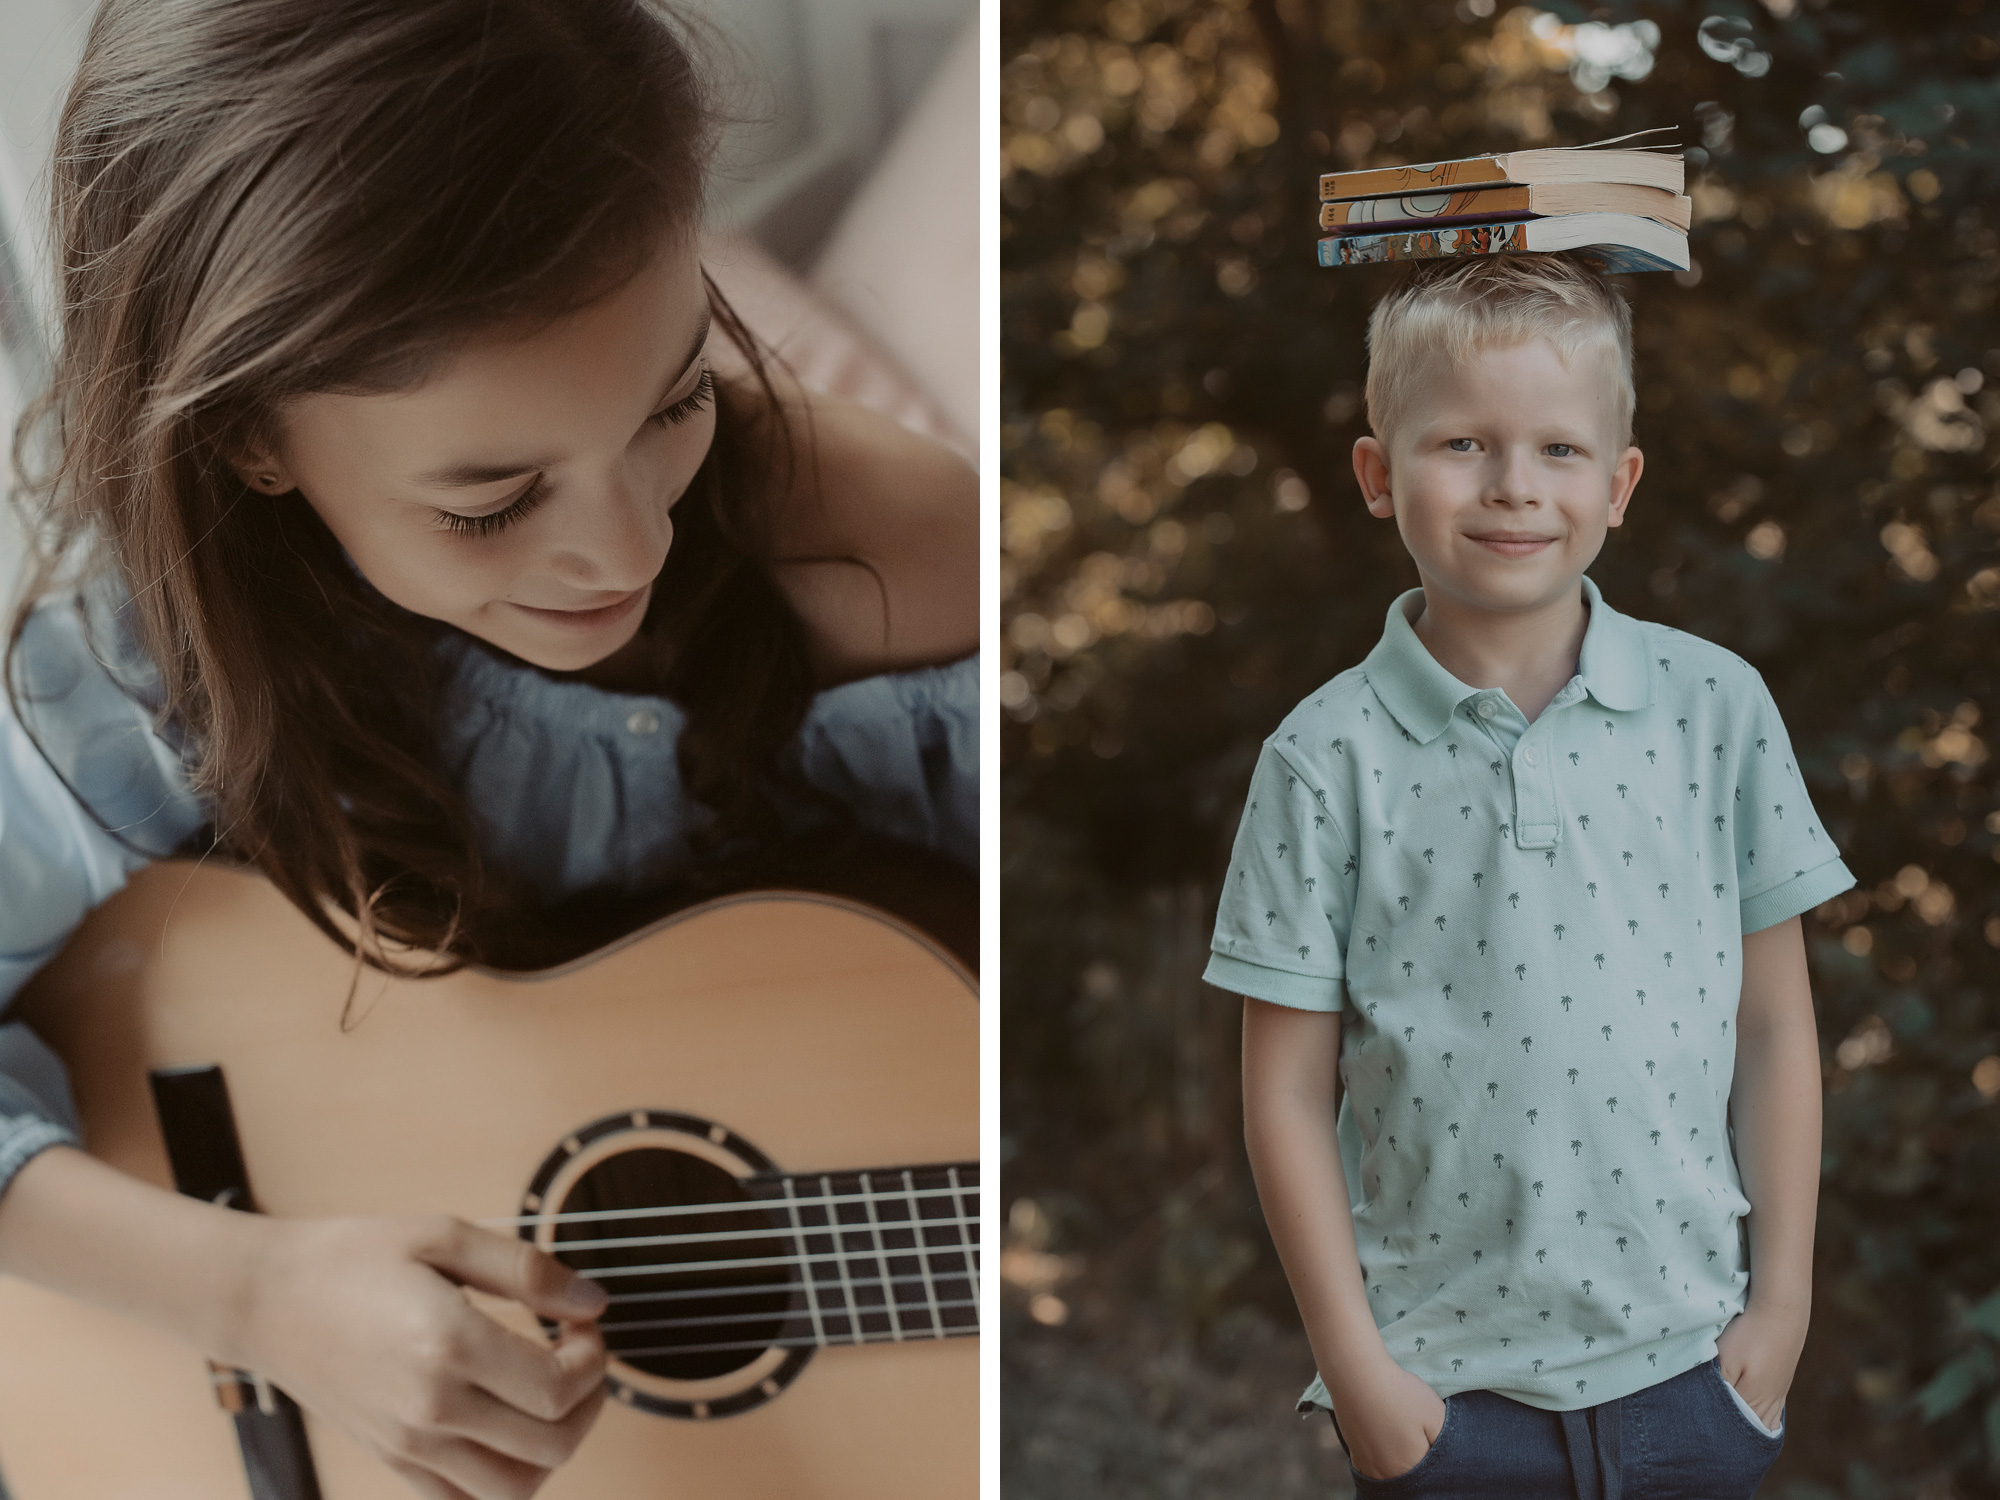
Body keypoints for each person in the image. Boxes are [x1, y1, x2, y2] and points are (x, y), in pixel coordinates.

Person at [0, 2, 975, 1497]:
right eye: (492, 500)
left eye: (676, 401)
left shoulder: (907, 578)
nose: (629, 542)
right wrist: (253, 1295)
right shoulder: (146, 681)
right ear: (249, 442)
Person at [1205, 253, 1853, 1498]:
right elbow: (1282, 1095)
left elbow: (1773, 1027)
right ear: (1375, 474)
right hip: (1442, 1398)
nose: (1511, 487)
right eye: (1459, 443)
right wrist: (1359, 1379)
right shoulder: (1321, 757)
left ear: (1617, 486)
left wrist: (1778, 1316)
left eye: (1557, 451)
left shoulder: (1714, 708)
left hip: (1691, 1374)